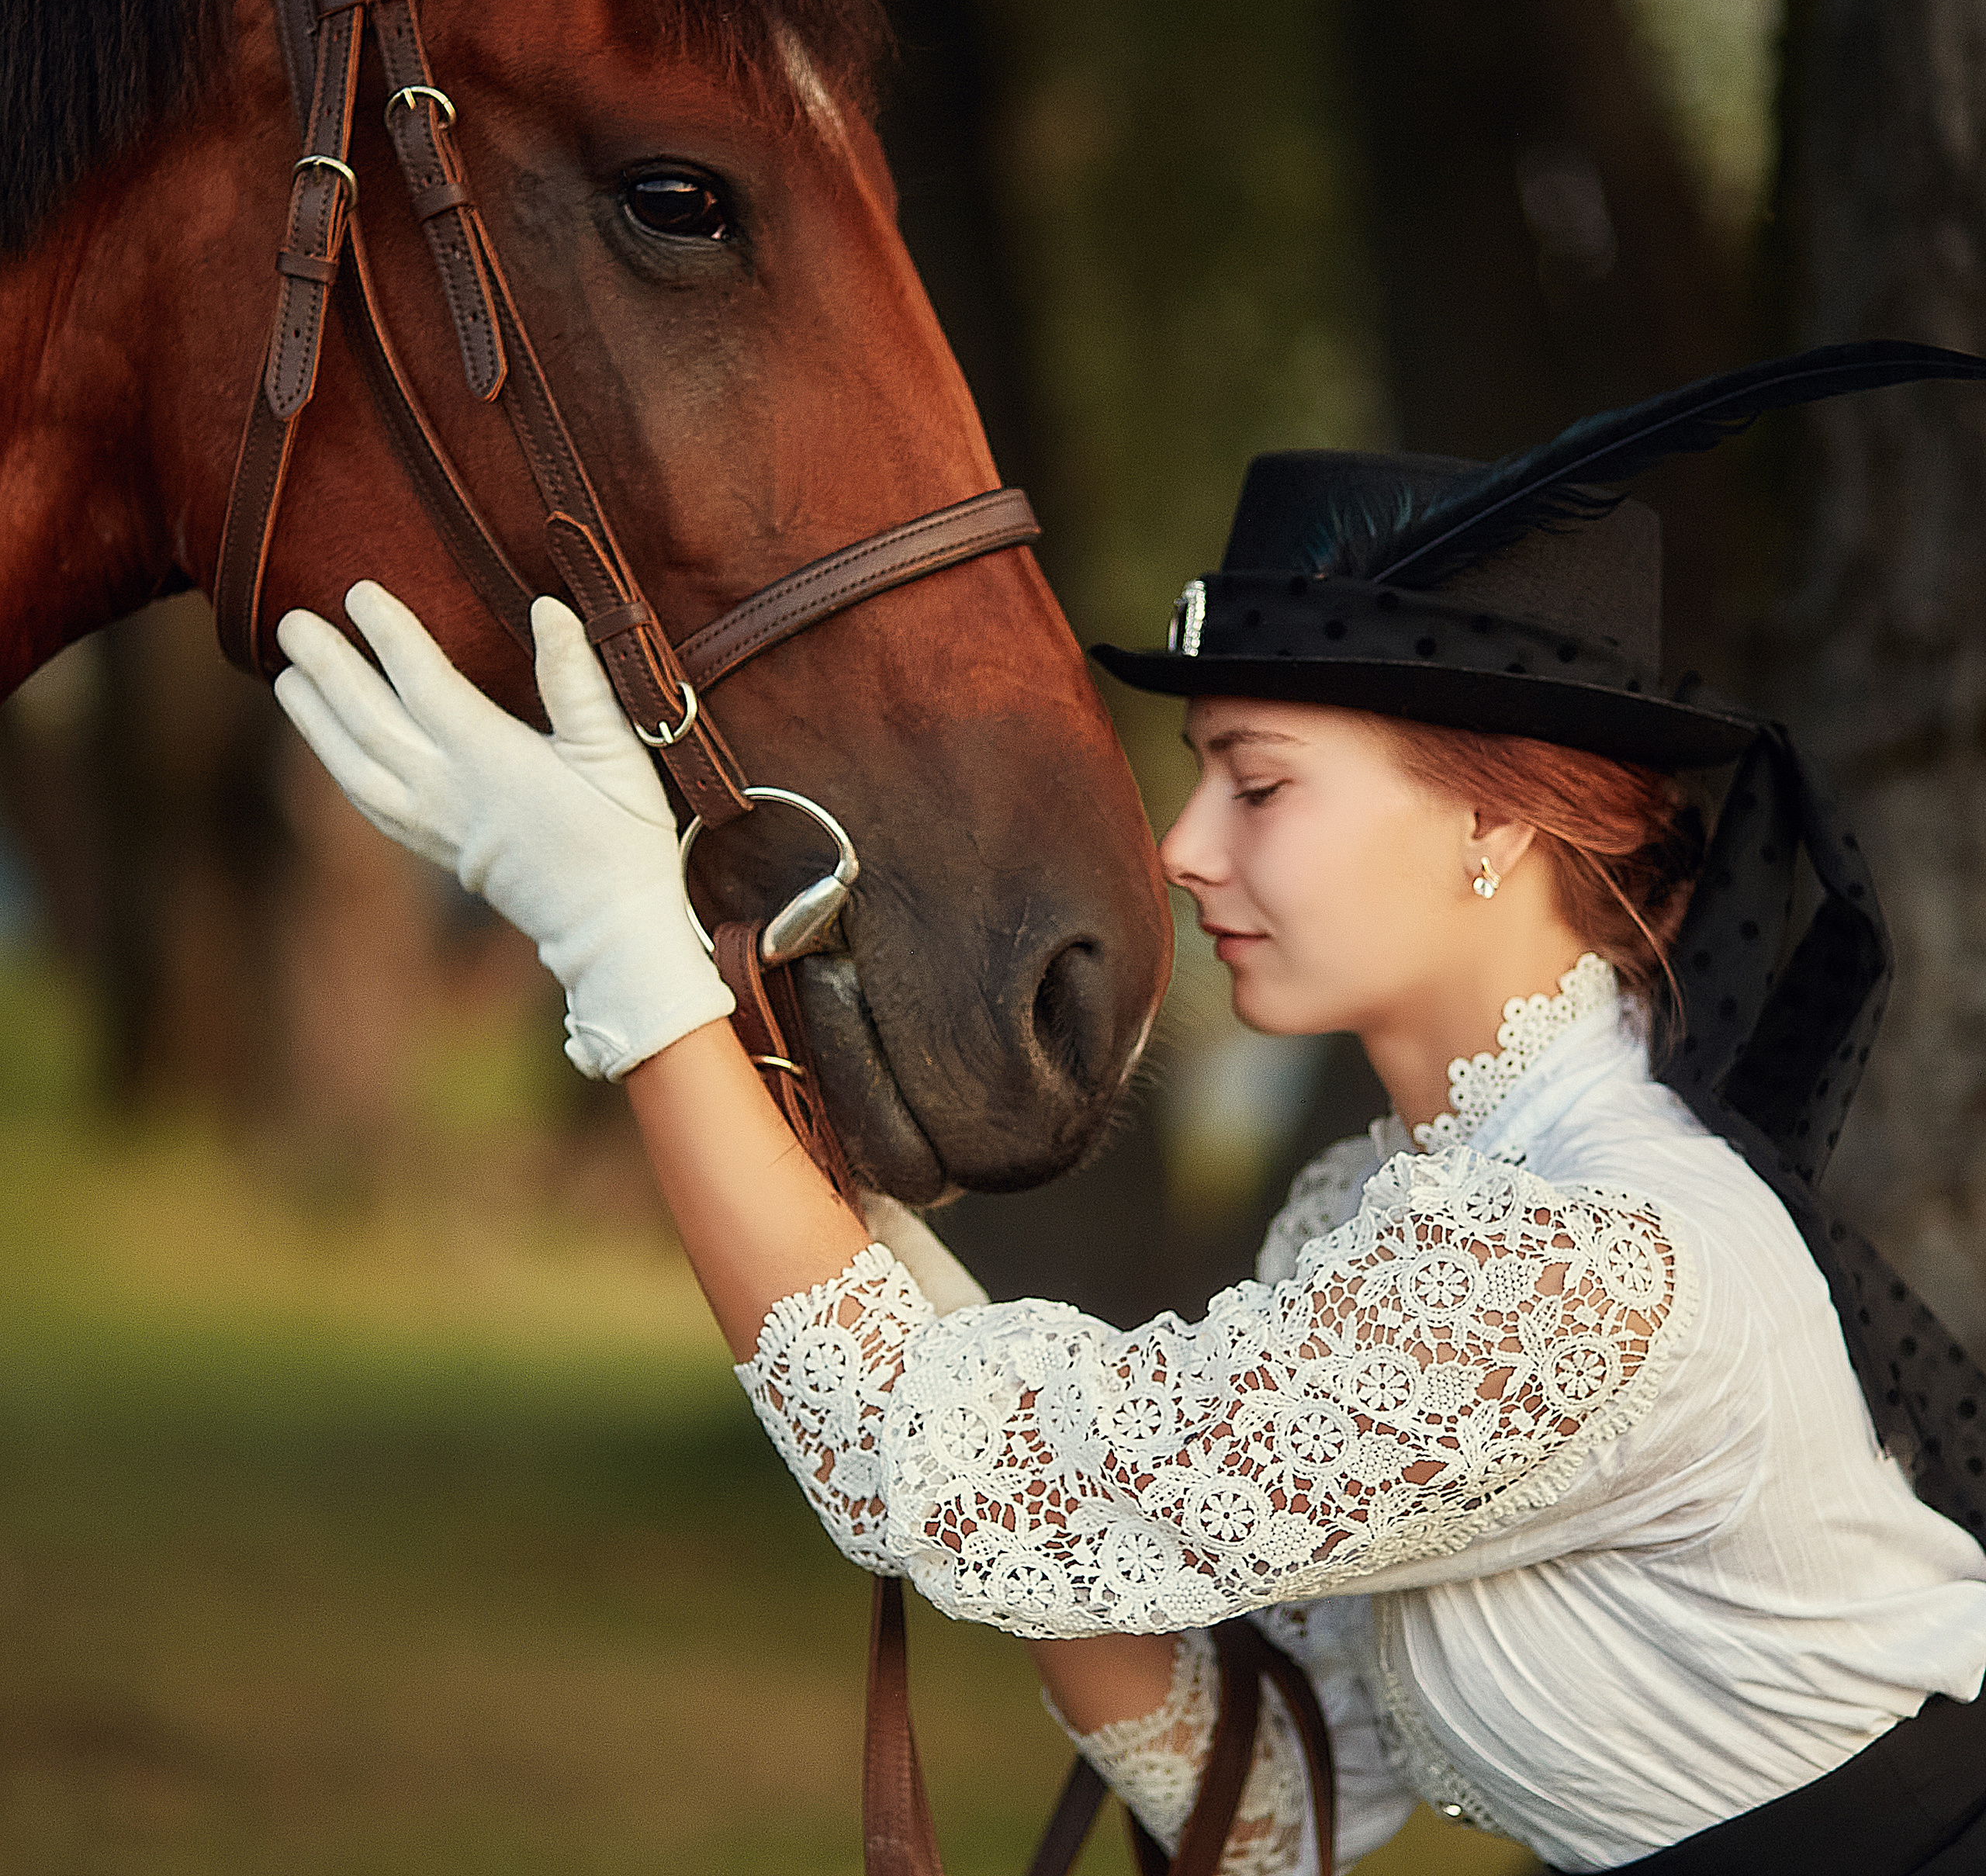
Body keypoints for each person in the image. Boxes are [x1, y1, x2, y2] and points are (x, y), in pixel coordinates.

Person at [271, 348, 1986, 1874]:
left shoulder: (1587, 1260)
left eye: (1258, 780)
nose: (1180, 848)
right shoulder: (1383, 1207)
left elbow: (977, 1485)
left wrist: (620, 953)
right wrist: (845, 1204)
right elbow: (1280, 1803)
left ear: (1496, 823)